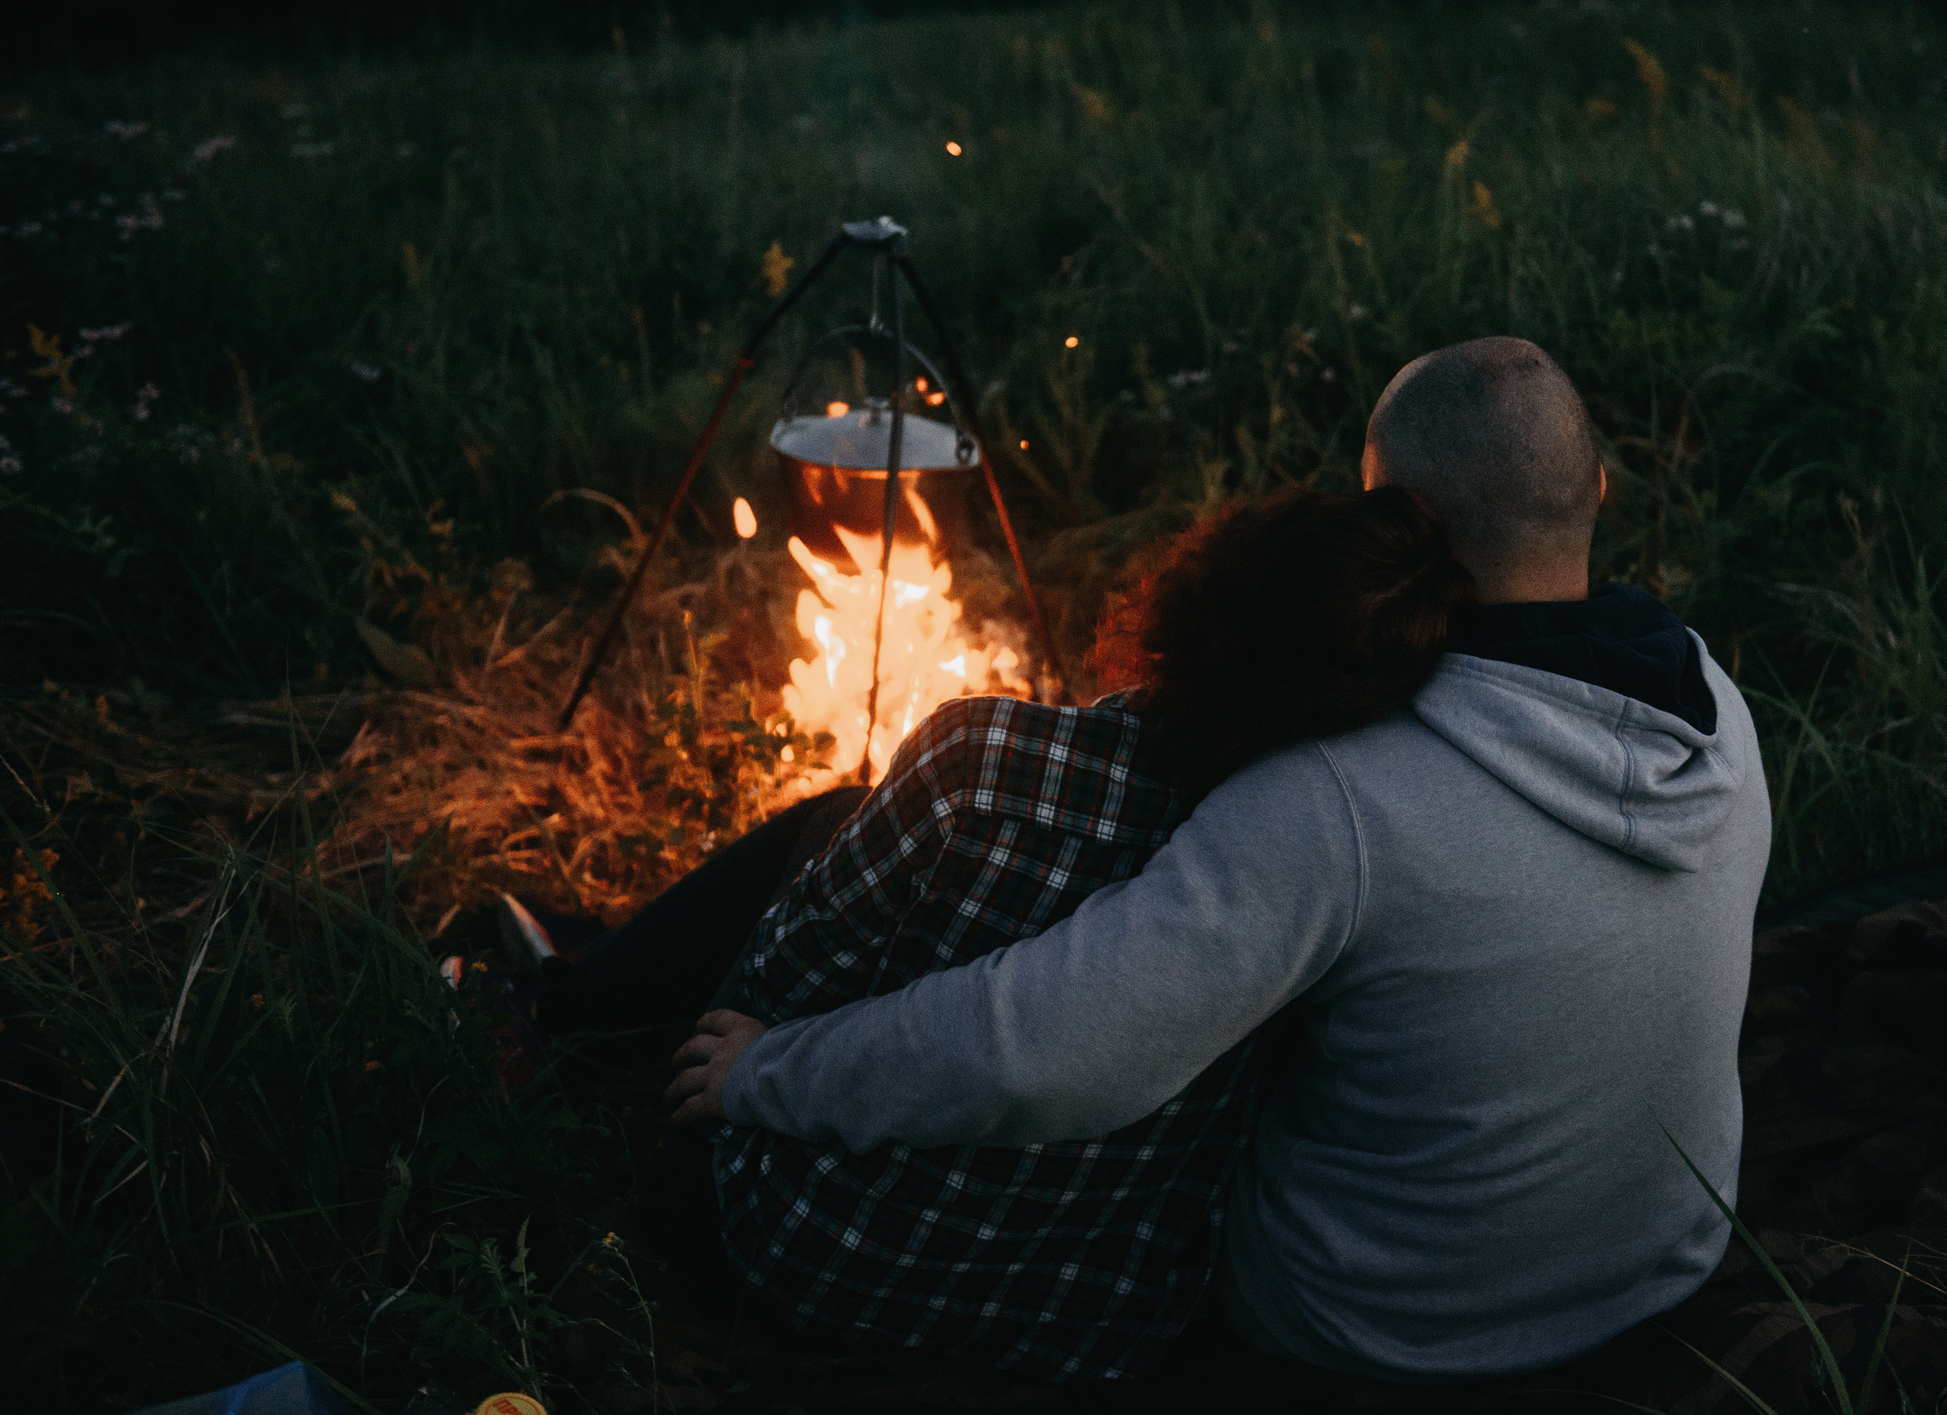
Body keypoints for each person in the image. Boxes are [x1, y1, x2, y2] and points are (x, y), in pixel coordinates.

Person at [667, 337, 1774, 1381]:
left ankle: (626, 1025)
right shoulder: (1712, 708)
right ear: (1598, 492)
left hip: (1384, 1321)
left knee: (912, 856)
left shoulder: (1340, 796)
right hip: (1661, 1261)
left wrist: (772, 1070)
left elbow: (1046, 1051)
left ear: (1403, 521)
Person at [557, 483, 1472, 1379]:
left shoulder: (980, 758)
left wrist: (763, 1060)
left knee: (825, 836)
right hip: (1084, 1322)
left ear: (1210, 592)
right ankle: (577, 984)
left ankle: (563, 1015)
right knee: (840, 827)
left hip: (812, 1249)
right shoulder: (1338, 874)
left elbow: (782, 977)